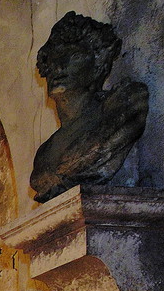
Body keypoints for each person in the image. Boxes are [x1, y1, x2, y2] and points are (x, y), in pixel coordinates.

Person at [30, 12, 148, 202]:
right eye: (53, 59)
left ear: (98, 64)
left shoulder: (124, 105)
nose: (59, 67)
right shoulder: (44, 155)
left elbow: (95, 151)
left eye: (74, 56)